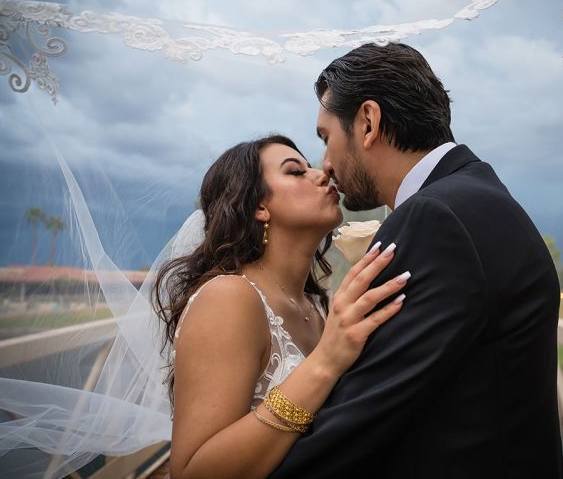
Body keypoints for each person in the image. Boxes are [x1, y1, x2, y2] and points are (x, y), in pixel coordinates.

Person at [269, 43, 563, 477]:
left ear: (368, 122)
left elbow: (362, 420)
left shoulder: (435, 218)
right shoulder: (474, 194)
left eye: (326, 138)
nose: (326, 165)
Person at [154, 134, 409, 478]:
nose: (322, 173)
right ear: (259, 206)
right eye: (296, 171)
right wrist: (325, 362)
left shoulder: (316, 309)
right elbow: (192, 473)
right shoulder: (229, 297)